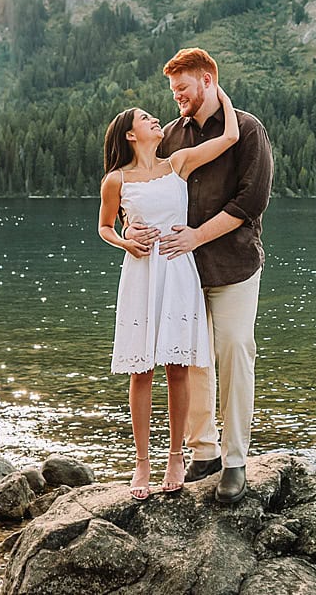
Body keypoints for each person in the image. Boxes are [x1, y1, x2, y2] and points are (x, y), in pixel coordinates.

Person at [131, 47, 272, 505]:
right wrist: (130, 225)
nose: (177, 98)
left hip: (233, 265)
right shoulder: (170, 136)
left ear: (208, 81)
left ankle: (234, 460)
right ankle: (204, 451)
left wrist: (195, 236)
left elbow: (250, 203)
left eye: (183, 89)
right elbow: (142, 186)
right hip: (181, 271)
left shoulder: (248, 130)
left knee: (233, 350)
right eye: (173, 91)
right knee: (189, 358)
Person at [97, 83, 241, 498]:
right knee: (141, 372)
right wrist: (126, 240)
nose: (155, 119)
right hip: (142, 273)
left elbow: (229, 137)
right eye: (146, 118)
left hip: (178, 271)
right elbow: (105, 226)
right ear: (130, 134)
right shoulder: (116, 179)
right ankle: (142, 463)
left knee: (178, 369)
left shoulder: (177, 163)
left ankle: (176, 457)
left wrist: (220, 95)